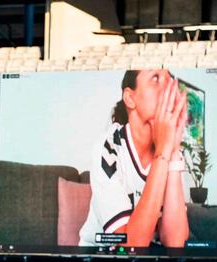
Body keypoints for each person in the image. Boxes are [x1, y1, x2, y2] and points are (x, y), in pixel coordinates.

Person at [79, 69, 190, 248]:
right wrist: (163, 153)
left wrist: (174, 149)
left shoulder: (170, 150)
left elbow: (174, 242)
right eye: (155, 79)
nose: (168, 89)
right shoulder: (109, 147)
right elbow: (130, 245)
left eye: (170, 81)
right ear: (130, 98)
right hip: (98, 260)